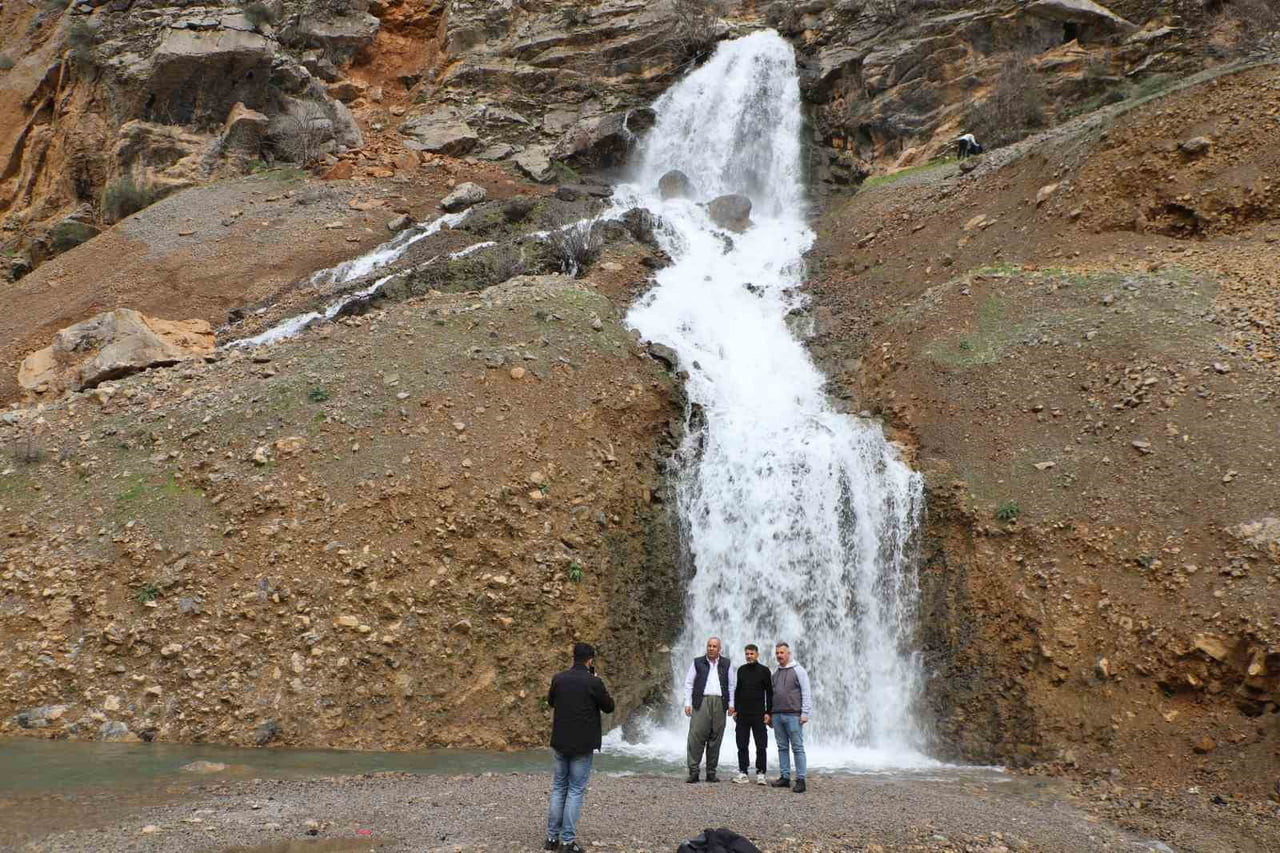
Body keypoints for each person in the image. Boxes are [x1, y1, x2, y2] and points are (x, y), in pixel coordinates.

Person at [545, 642, 615, 852]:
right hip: (582, 744)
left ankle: (551, 839)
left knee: (559, 788)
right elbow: (609, 707)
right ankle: (567, 841)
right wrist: (597, 682)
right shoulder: (593, 682)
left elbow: (551, 702)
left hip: (560, 741)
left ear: (573, 657)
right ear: (590, 660)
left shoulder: (559, 679)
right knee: (575, 790)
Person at [683, 636, 736, 783]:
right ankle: (693, 772)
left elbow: (731, 685)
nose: (711, 648)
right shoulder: (697, 662)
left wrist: (731, 704)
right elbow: (689, 683)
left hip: (720, 702)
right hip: (702, 701)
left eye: (714, 646)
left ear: (719, 649)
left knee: (715, 738)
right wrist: (687, 703)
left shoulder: (727, 664)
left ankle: (711, 773)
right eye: (709, 646)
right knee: (696, 737)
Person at [769, 642, 812, 793]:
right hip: (777, 715)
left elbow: (806, 692)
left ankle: (801, 779)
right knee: (782, 747)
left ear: (788, 654)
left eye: (782, 652)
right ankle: (785, 777)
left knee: (797, 747)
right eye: (777, 653)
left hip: (793, 715)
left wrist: (805, 713)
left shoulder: (799, 670)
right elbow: (771, 695)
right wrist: (770, 714)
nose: (779, 655)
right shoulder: (776, 673)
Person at [732, 643, 773, 785]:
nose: (749, 656)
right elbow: (738, 691)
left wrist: (769, 712)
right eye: (747, 654)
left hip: (759, 714)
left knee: (761, 745)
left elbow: (770, 693)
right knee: (741, 744)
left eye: (751, 654)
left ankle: (761, 773)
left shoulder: (764, 671)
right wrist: (735, 709)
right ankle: (743, 772)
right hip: (743, 714)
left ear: (757, 655)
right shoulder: (741, 670)